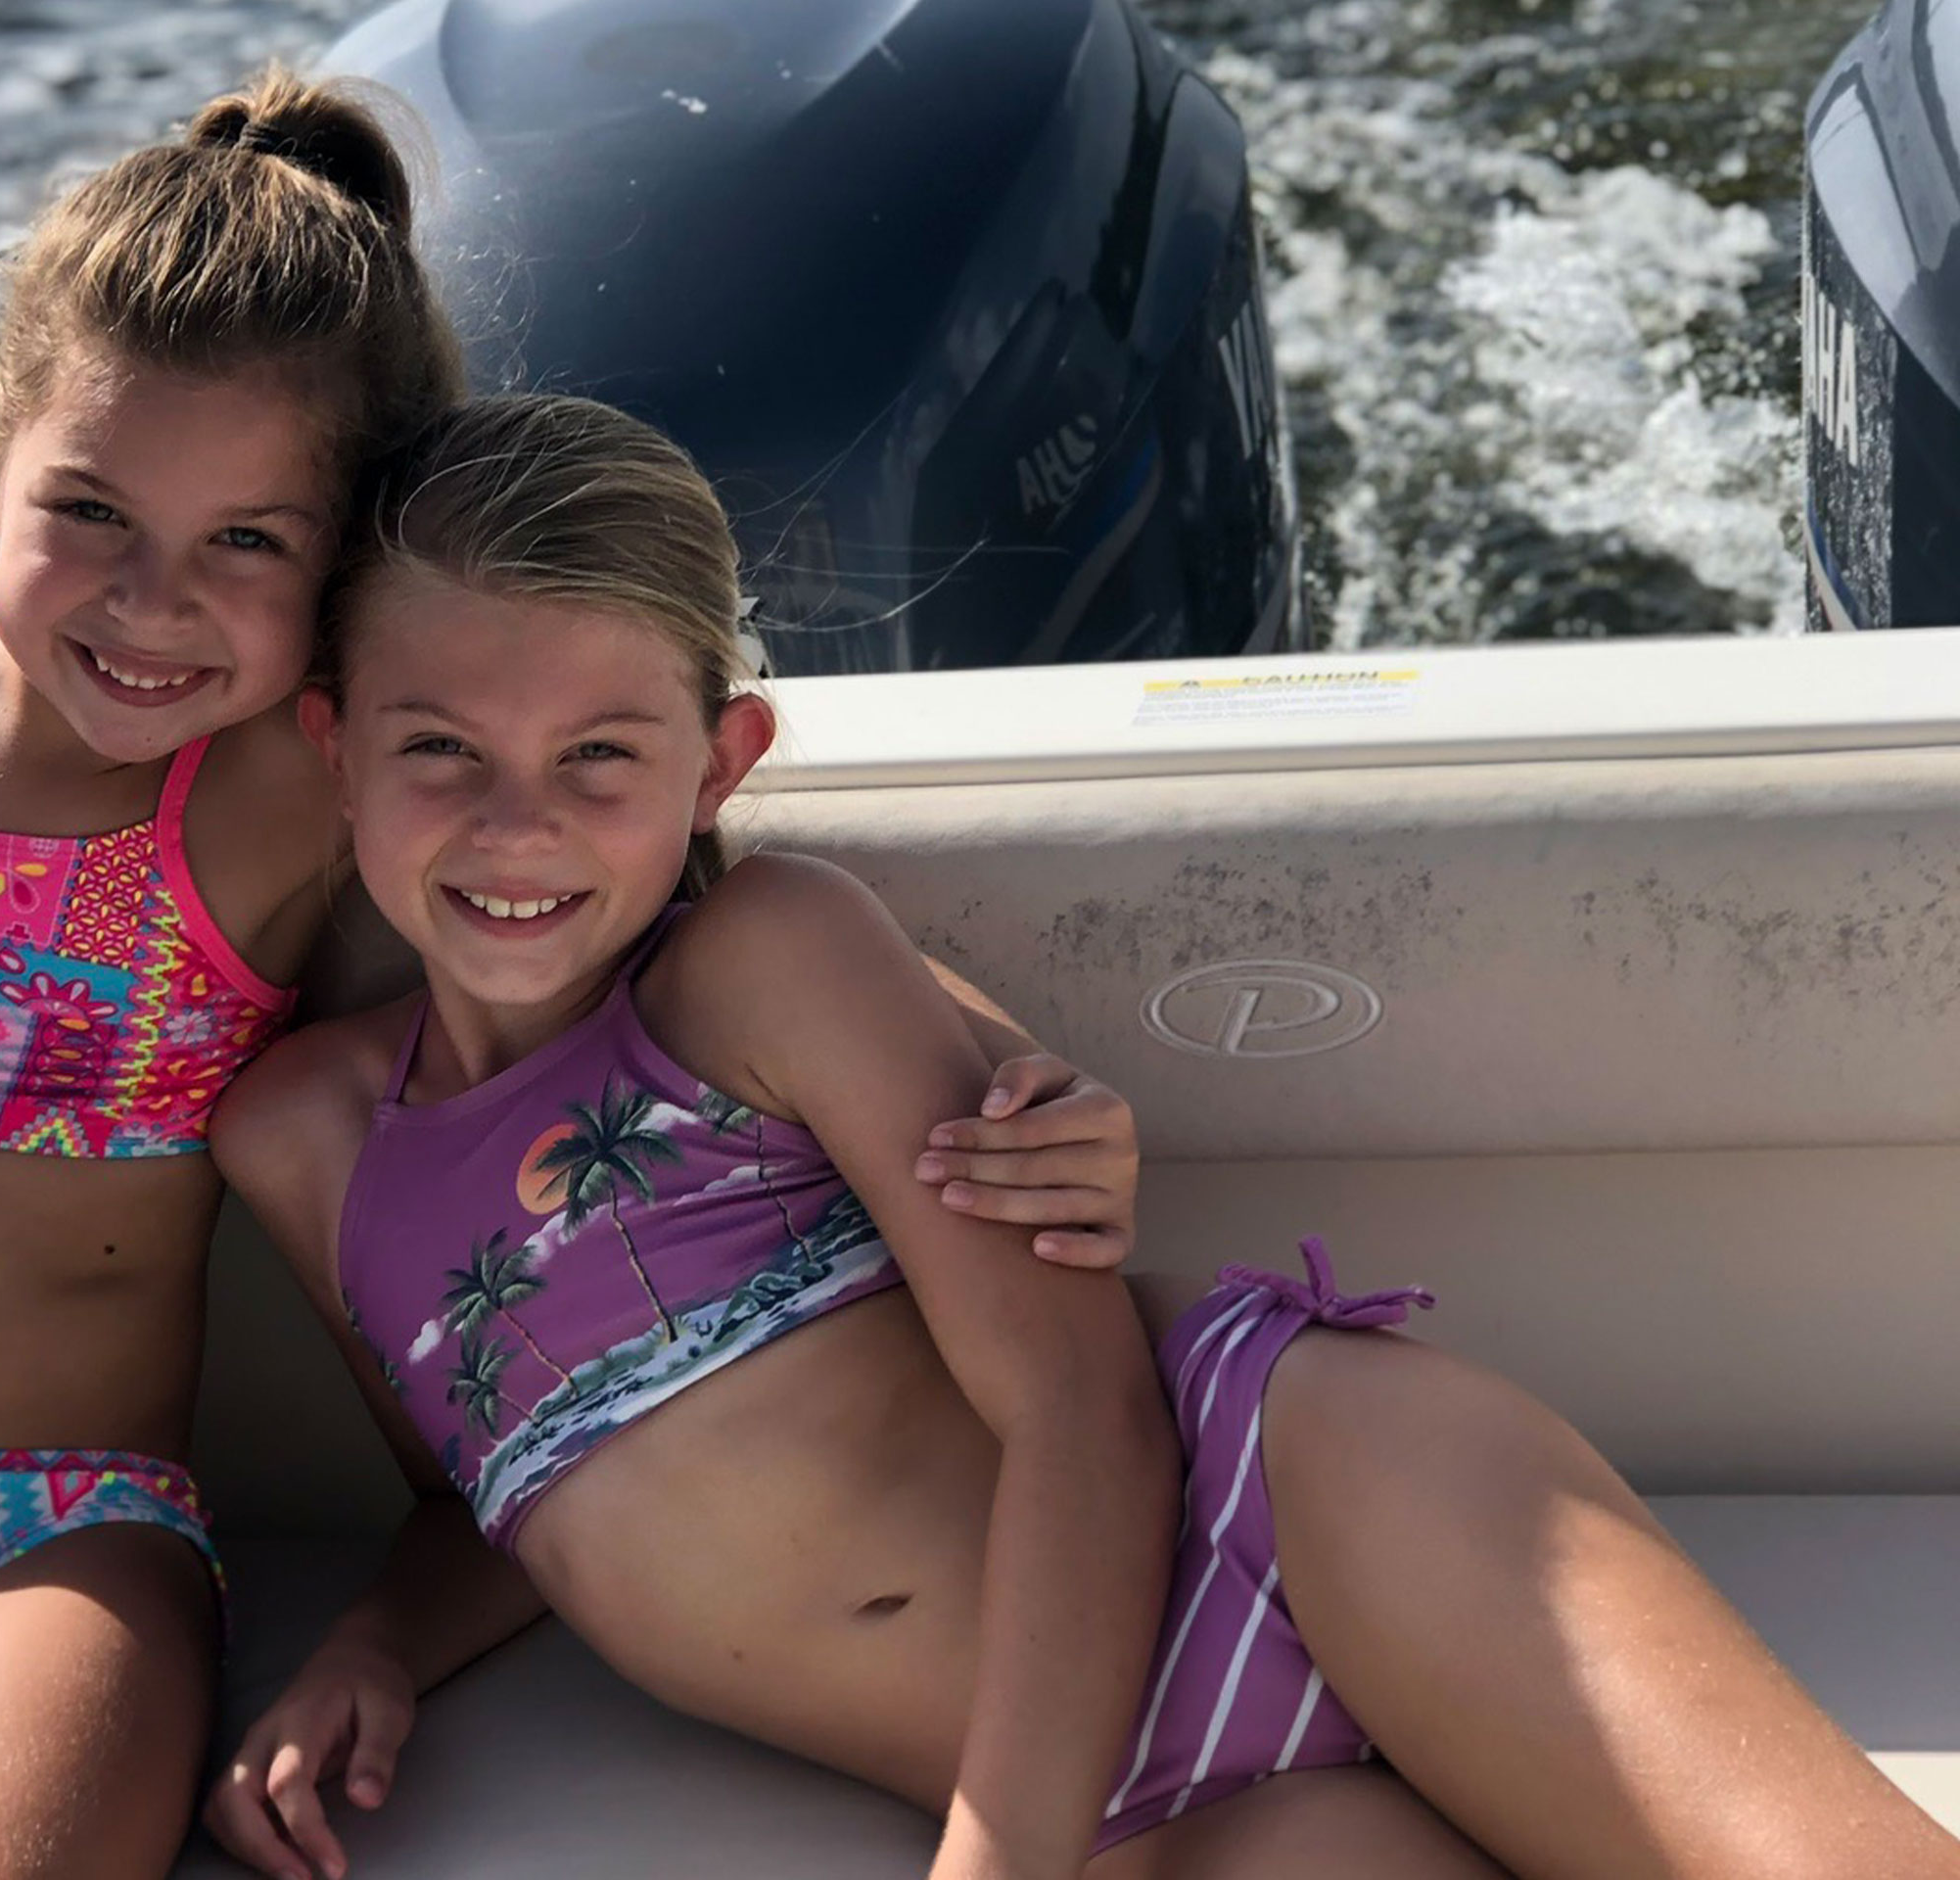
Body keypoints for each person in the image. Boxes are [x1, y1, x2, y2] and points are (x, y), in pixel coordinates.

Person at [0, 73, 1128, 1880]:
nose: (152, 608)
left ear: (334, 586)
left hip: (70, 1543)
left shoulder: (298, 775)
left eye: (246, 543)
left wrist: (1018, 1080)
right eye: (89, 511)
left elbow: (659, 889)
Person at [200, 393, 1960, 1880]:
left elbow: (1084, 1411)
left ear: (722, 759)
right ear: (334, 745)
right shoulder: (300, 1140)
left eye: (599, 754)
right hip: (1148, 1811)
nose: (520, 828)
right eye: (442, 748)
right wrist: (373, 1646)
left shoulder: (769, 960)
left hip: (1302, 1515)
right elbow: (486, 1498)